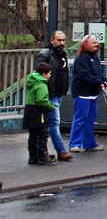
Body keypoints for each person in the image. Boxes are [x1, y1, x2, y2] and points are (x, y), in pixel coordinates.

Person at [35, 30, 73, 162]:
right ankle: (61, 150)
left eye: (63, 40)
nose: (61, 42)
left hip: (58, 93)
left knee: (49, 123)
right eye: (59, 40)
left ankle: (40, 151)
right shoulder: (46, 54)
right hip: (50, 94)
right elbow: (40, 74)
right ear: (52, 40)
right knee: (54, 123)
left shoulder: (62, 54)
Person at [69, 35, 107, 152]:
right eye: (94, 43)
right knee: (80, 119)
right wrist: (98, 82)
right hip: (82, 93)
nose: (97, 44)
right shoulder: (82, 58)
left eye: (97, 42)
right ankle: (74, 143)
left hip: (92, 93)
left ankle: (89, 143)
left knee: (90, 120)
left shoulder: (95, 57)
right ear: (86, 44)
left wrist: (103, 81)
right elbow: (85, 75)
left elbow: (99, 72)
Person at [24, 61, 57, 165]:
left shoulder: (32, 82)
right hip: (39, 113)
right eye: (49, 73)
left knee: (33, 135)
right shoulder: (42, 85)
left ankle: (33, 156)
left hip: (30, 111)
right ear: (44, 74)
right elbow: (42, 100)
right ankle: (43, 155)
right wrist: (51, 107)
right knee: (43, 134)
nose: (50, 76)